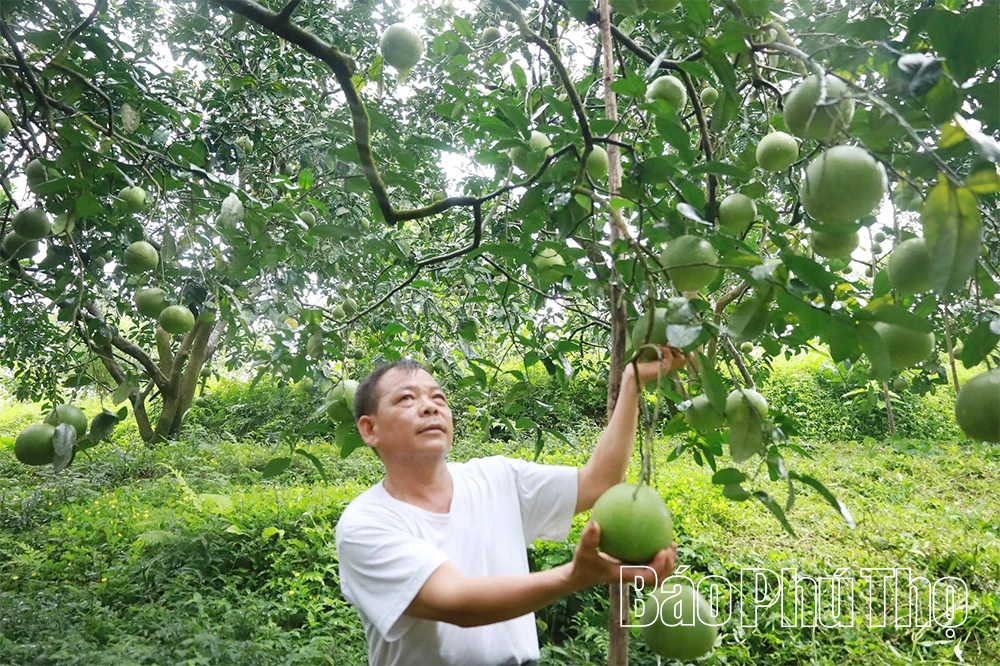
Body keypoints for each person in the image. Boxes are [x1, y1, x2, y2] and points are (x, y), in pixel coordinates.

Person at [335, 348, 689, 666]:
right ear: (370, 430)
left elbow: (599, 484)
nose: (430, 407)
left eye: (438, 397)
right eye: (406, 399)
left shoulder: (497, 478)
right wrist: (574, 576)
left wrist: (631, 385)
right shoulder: (365, 523)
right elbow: (458, 602)